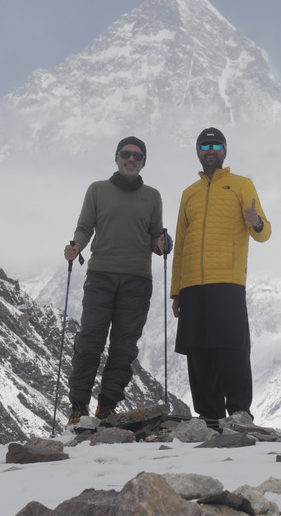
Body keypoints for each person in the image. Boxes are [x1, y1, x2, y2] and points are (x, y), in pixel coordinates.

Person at [63, 136, 169, 426]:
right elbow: (85, 226)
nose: (131, 159)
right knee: (90, 340)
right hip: (101, 275)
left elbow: (153, 237)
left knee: (124, 347)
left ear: (144, 161)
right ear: (117, 158)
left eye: (137, 156)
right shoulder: (97, 190)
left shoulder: (153, 196)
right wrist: (77, 246)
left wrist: (161, 245)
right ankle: (79, 407)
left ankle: (107, 407)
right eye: (126, 154)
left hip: (137, 279)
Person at [171, 127, 271, 425]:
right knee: (198, 352)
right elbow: (181, 242)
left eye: (215, 144)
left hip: (227, 280)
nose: (210, 149)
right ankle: (209, 416)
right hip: (191, 284)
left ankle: (240, 412)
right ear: (198, 151)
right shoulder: (189, 193)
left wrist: (255, 222)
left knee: (232, 349)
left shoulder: (242, 185)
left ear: (225, 150)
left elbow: (264, 233)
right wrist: (177, 291)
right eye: (204, 145)